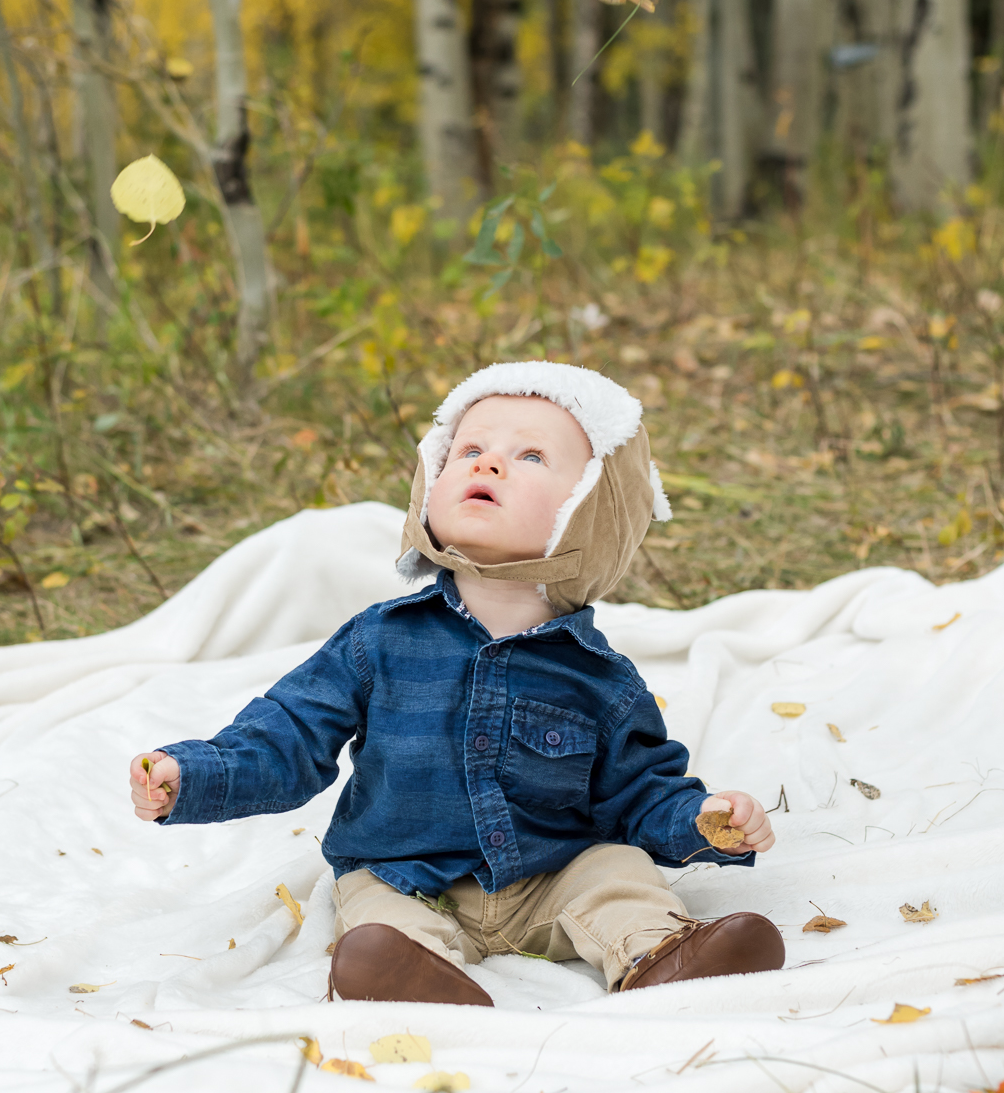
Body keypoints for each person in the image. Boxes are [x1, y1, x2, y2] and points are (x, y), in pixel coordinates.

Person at [130, 361, 783, 1007]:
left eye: (529, 456)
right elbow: (286, 738)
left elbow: (639, 792)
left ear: (591, 511)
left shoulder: (602, 680)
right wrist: (193, 775)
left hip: (548, 880)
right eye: (468, 449)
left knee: (615, 873)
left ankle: (659, 954)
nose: (488, 464)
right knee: (375, 914)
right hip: (404, 875)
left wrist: (702, 822)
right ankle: (411, 973)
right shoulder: (377, 642)